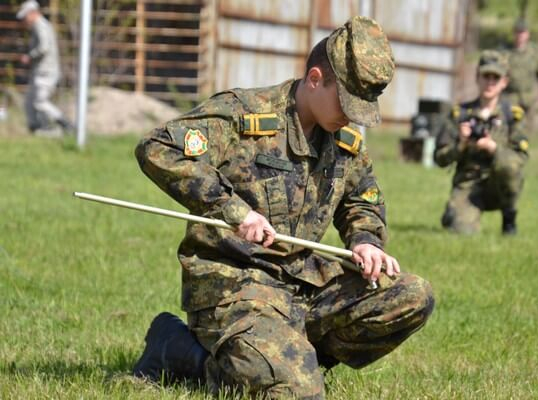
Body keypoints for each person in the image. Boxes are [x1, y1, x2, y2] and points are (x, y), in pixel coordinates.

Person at [132, 16, 434, 398]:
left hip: (302, 284)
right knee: (299, 394)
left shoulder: (343, 139)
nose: (353, 116)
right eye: (347, 102)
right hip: (236, 286)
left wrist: (365, 239)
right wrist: (232, 209)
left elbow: (362, 197)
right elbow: (158, 147)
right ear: (314, 79)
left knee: (412, 295)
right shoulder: (245, 115)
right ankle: (181, 351)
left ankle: (290, 356)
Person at [434, 50, 529, 235]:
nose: (490, 82)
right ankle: (453, 213)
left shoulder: (513, 116)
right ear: (477, 77)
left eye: (496, 77)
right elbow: (439, 158)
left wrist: (493, 148)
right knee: (462, 231)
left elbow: (521, 157)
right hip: (468, 185)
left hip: (498, 184)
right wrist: (460, 145)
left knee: (509, 166)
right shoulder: (459, 114)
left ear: (504, 82)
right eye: (486, 76)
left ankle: (509, 217)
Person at [16, 0, 74, 137]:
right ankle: (35, 127)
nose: (24, 20)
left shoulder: (40, 25)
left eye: (25, 16)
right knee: (29, 101)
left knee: (40, 102)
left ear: (32, 13)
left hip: (46, 72)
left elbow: (44, 47)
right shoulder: (38, 26)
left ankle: (65, 124)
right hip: (40, 71)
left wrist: (30, 56)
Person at [502, 18, 538, 130]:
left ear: (528, 34)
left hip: (528, 99)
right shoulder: (505, 53)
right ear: (513, 33)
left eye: (522, 32)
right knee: (510, 129)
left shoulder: (535, 53)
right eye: (517, 32)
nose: (520, 35)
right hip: (510, 98)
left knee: (526, 132)